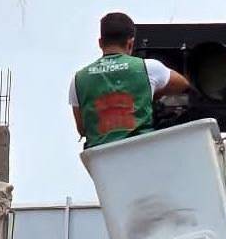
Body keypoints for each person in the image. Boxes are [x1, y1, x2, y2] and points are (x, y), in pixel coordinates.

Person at [69, 11, 189, 148]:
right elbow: (183, 84)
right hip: (141, 150)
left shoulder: (78, 80)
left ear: (100, 43)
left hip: (101, 156)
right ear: (130, 43)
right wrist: (152, 94)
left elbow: (82, 129)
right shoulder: (148, 68)